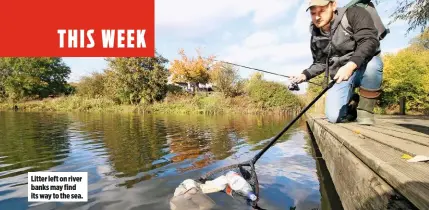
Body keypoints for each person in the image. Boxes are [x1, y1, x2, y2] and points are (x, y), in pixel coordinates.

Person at [291, 0, 383, 125]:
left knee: (373, 65)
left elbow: (370, 41)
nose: (317, 17)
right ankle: (352, 104)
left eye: (322, 11)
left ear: (333, 5)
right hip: (339, 76)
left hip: (362, 67)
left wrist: (350, 65)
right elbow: (321, 62)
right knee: (334, 117)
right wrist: (304, 75)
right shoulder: (315, 32)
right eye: (313, 13)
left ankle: (365, 111)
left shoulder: (354, 13)